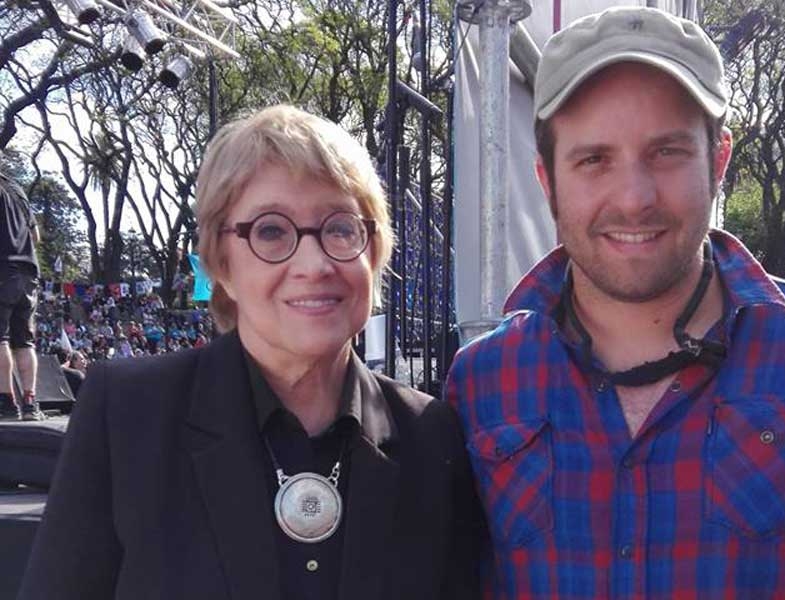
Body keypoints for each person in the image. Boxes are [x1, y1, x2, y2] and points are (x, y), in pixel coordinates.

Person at [446, 6, 785, 598]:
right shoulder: (483, 382)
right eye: (594, 159)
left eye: (666, 152)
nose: (634, 199)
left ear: (719, 160)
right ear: (547, 180)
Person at [20, 105, 483, 599]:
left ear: (373, 252)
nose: (314, 264)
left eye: (341, 227)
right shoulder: (127, 413)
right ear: (221, 263)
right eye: (271, 231)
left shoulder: (431, 433)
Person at [0, 170, 44, 421]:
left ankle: (7, 402)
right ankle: (30, 403)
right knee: (24, 341)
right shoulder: (17, 190)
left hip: (3, 269)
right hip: (29, 271)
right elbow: (35, 236)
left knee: (1, 338)